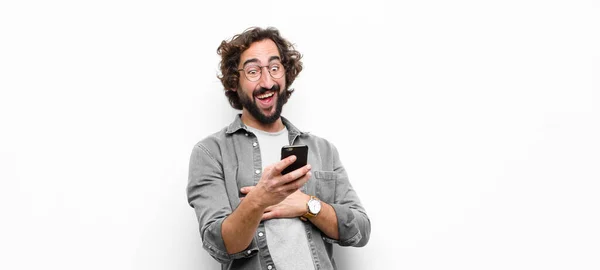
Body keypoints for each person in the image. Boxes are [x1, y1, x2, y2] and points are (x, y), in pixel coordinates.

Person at [187, 27, 370, 270]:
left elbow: (360, 230)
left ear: (286, 73)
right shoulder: (211, 153)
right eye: (253, 71)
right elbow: (220, 245)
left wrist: (308, 205)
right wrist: (260, 199)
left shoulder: (323, 150)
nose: (267, 82)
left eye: (274, 68)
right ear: (234, 81)